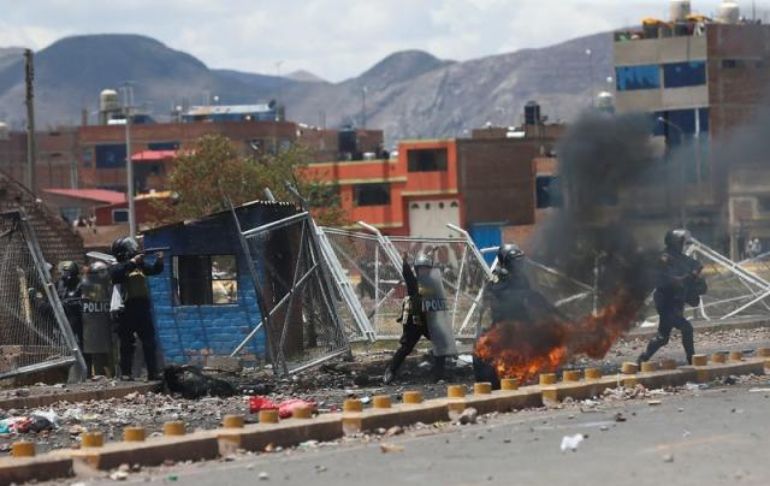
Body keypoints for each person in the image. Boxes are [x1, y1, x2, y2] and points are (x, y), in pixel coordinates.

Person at [472, 244, 561, 389]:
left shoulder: (522, 279)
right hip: (501, 328)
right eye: (515, 261)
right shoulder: (496, 282)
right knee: (482, 353)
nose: (518, 265)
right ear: (506, 262)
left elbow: (531, 299)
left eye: (519, 261)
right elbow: (489, 307)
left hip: (522, 326)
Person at [383, 252, 457, 384]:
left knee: (441, 343)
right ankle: (390, 371)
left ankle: (439, 376)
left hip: (429, 322)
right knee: (406, 348)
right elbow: (407, 274)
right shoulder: (413, 283)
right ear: (417, 270)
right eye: (421, 269)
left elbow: (439, 302)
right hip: (415, 322)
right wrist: (405, 262)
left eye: (426, 269)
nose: (424, 271)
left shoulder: (434, 284)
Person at [638, 229, 706, 366]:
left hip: (677, 301)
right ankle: (692, 360)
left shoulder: (682, 258)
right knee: (686, 328)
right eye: (680, 242)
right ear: (673, 243)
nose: (682, 245)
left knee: (663, 337)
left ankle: (643, 359)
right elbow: (665, 278)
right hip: (666, 302)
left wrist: (694, 275)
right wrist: (685, 278)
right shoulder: (664, 258)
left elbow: (696, 265)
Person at [110, 237, 164, 381]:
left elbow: (153, 270)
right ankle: (126, 373)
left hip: (142, 307)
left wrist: (159, 261)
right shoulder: (117, 266)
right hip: (126, 308)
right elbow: (116, 275)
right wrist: (133, 262)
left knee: (149, 341)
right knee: (127, 343)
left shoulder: (139, 266)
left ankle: (153, 372)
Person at [81, 261, 115, 377]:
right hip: (92, 328)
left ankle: (112, 374)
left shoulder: (110, 286)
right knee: (96, 356)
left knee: (110, 355)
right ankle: (98, 375)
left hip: (106, 326)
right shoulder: (86, 286)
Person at [56, 261, 83, 351]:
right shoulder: (60, 284)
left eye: (67, 273)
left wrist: (70, 302)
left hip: (77, 318)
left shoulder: (80, 284)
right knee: (63, 344)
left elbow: (83, 301)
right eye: (63, 272)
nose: (64, 275)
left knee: (79, 344)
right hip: (62, 317)